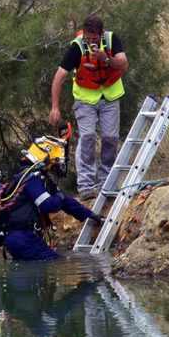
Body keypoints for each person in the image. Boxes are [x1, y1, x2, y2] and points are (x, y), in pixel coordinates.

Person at [49, 15, 129, 201]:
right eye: (88, 38)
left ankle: (106, 182)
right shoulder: (77, 47)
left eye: (94, 39)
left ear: (101, 34)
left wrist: (105, 58)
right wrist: (55, 107)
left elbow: (124, 64)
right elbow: (59, 76)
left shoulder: (110, 40)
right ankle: (85, 185)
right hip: (85, 99)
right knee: (87, 137)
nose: (91, 42)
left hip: (110, 97)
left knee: (110, 138)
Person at [0, 134, 102, 260]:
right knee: (57, 262)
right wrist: (60, 197)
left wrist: (90, 214)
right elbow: (47, 205)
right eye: (55, 162)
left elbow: (66, 202)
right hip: (24, 238)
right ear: (46, 159)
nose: (56, 168)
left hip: (20, 239)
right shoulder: (32, 179)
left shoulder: (33, 177)